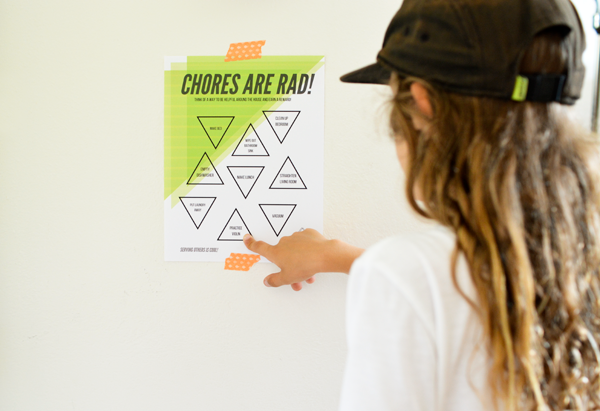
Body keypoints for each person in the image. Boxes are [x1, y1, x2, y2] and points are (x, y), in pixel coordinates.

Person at [244, 0, 600, 409]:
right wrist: (338, 256)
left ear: (421, 103)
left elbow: (434, 282)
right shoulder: (580, 244)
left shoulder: (404, 274)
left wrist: (381, 271)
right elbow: (485, 276)